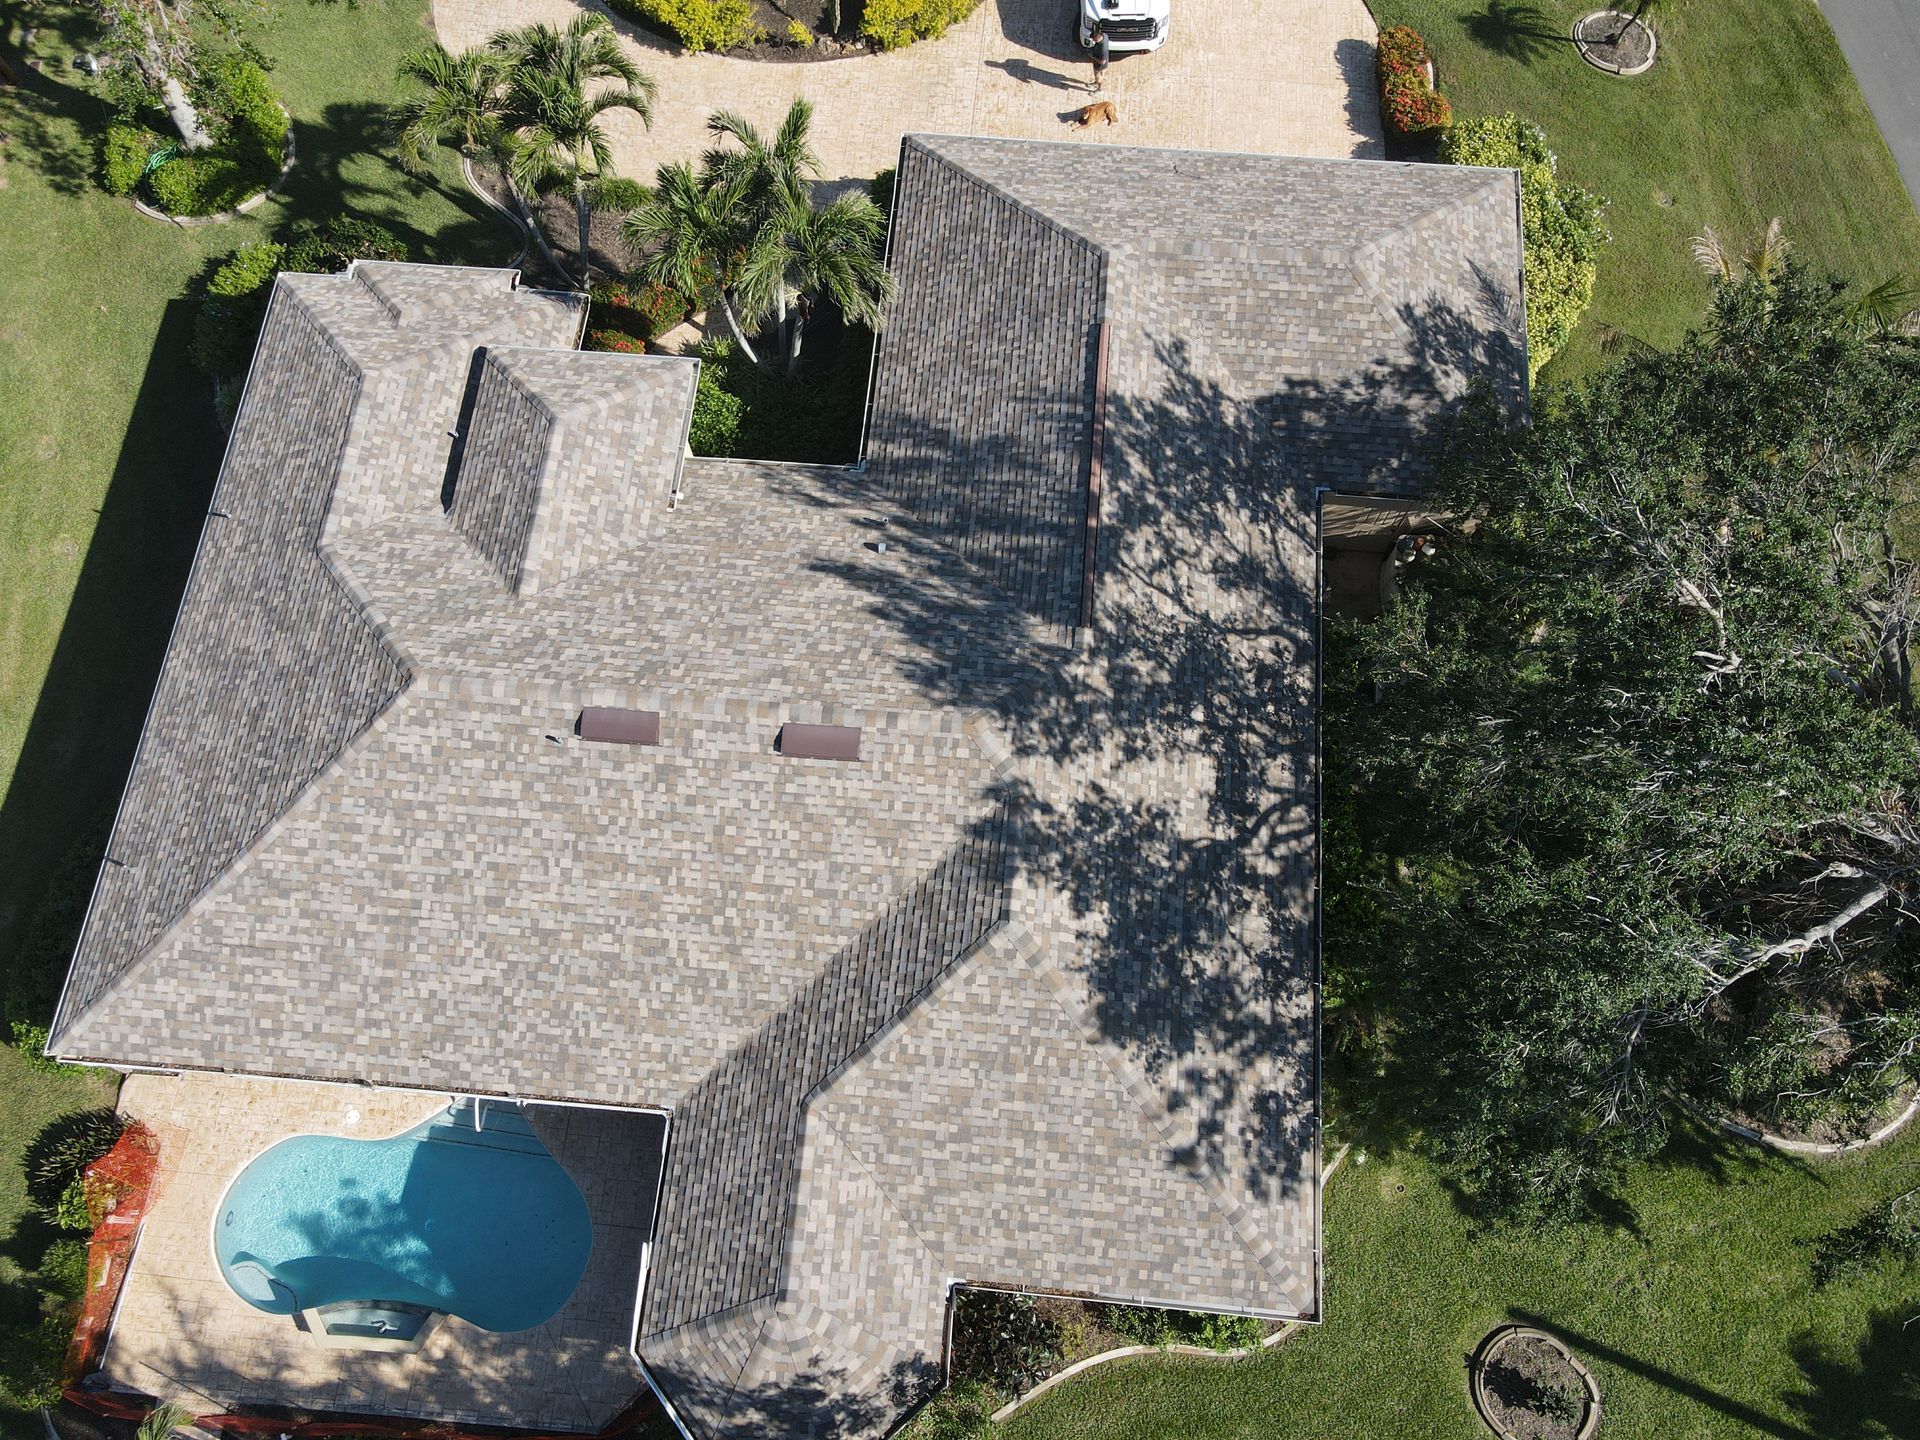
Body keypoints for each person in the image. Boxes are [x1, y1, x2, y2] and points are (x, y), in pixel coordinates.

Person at [1090, 24, 1110, 91]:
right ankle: (1096, 83)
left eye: (1094, 40)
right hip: (1096, 63)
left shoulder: (1103, 49)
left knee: (1099, 78)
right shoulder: (1104, 35)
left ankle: (1099, 89)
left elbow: (1102, 62)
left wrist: (1093, 57)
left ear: (1097, 38)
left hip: (1100, 66)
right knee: (1096, 76)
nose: (1093, 41)